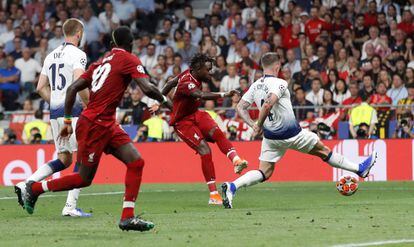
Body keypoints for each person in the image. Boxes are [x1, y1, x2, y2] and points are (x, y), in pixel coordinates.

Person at [21, 26, 170, 231]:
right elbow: (147, 88)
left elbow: (73, 88)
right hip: (95, 125)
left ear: (111, 45)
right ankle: (35, 188)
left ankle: (127, 217)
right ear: (130, 43)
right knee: (83, 179)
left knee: (136, 162)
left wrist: (66, 121)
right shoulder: (129, 59)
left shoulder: (99, 62)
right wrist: (165, 100)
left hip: (105, 122)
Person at [221, 53, 377, 209]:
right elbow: (268, 104)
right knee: (323, 151)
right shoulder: (280, 83)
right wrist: (258, 124)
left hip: (270, 137)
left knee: (265, 172)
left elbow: (240, 107)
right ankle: (359, 169)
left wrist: (252, 124)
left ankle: (232, 187)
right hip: (291, 134)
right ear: (277, 67)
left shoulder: (255, 85)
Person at [14, 19, 90, 217]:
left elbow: (40, 87)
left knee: (64, 159)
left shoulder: (50, 56)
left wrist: (56, 102)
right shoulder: (79, 55)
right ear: (79, 33)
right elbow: (79, 82)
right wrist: (91, 106)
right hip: (73, 114)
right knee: (83, 157)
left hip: (56, 113)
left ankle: (27, 184)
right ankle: (70, 206)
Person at [159, 53, 248, 205]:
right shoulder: (187, 82)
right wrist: (225, 94)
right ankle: (214, 195)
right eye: (207, 70)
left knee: (217, 132)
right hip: (182, 122)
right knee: (205, 150)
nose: (210, 72)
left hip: (195, 114)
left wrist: (160, 100)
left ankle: (236, 161)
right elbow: (200, 95)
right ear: (198, 69)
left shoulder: (188, 73)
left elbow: (170, 84)